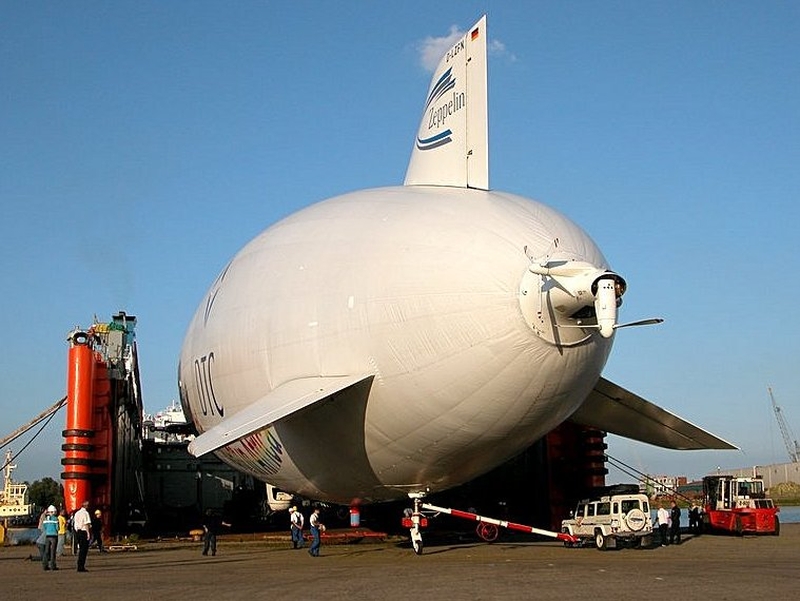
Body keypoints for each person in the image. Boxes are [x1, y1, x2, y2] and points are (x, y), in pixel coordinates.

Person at [73, 500, 92, 572]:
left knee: (81, 549)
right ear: (86, 506)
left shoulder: (77, 513)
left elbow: (75, 523)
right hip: (83, 531)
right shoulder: (86, 513)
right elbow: (86, 524)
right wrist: (88, 533)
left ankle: (79, 565)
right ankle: (81, 566)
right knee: (84, 550)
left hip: (78, 531)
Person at [41, 505, 59, 571]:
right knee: (53, 551)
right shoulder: (56, 519)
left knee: (46, 551)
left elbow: (44, 527)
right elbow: (57, 528)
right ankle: (52, 566)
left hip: (47, 535)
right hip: (54, 536)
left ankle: (45, 565)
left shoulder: (46, 519)